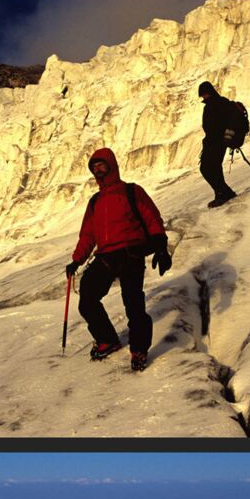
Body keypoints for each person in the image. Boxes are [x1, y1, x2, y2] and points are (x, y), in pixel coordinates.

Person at [65, 148, 171, 373]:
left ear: (111, 165)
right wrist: (76, 260)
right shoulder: (95, 202)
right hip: (106, 256)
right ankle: (107, 339)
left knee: (133, 303)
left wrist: (161, 247)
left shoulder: (131, 191)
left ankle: (139, 349)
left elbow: (152, 218)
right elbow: (88, 235)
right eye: (94, 167)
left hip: (131, 252)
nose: (97, 169)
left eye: (101, 165)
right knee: (88, 297)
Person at [198, 81, 239, 208]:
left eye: (205, 94)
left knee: (209, 168)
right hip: (213, 142)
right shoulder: (214, 104)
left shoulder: (219, 103)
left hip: (218, 142)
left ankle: (223, 194)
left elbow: (230, 122)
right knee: (211, 168)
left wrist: (226, 137)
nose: (204, 97)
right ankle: (223, 193)